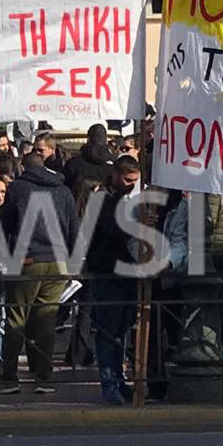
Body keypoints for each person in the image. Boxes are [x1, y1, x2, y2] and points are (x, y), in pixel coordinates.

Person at [0, 133, 78, 394]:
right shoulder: (63, 190)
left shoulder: (18, 188)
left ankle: (9, 378)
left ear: (23, 167)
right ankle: (44, 377)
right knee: (46, 320)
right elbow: (74, 229)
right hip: (57, 261)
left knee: (16, 319)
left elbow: (5, 224)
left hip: (26, 260)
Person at [84, 153, 147, 404]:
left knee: (121, 331)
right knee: (109, 331)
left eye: (135, 180)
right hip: (106, 272)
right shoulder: (102, 200)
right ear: (116, 175)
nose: (131, 184)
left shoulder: (122, 200)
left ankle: (118, 380)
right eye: (128, 179)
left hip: (125, 273)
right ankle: (109, 383)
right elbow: (114, 230)